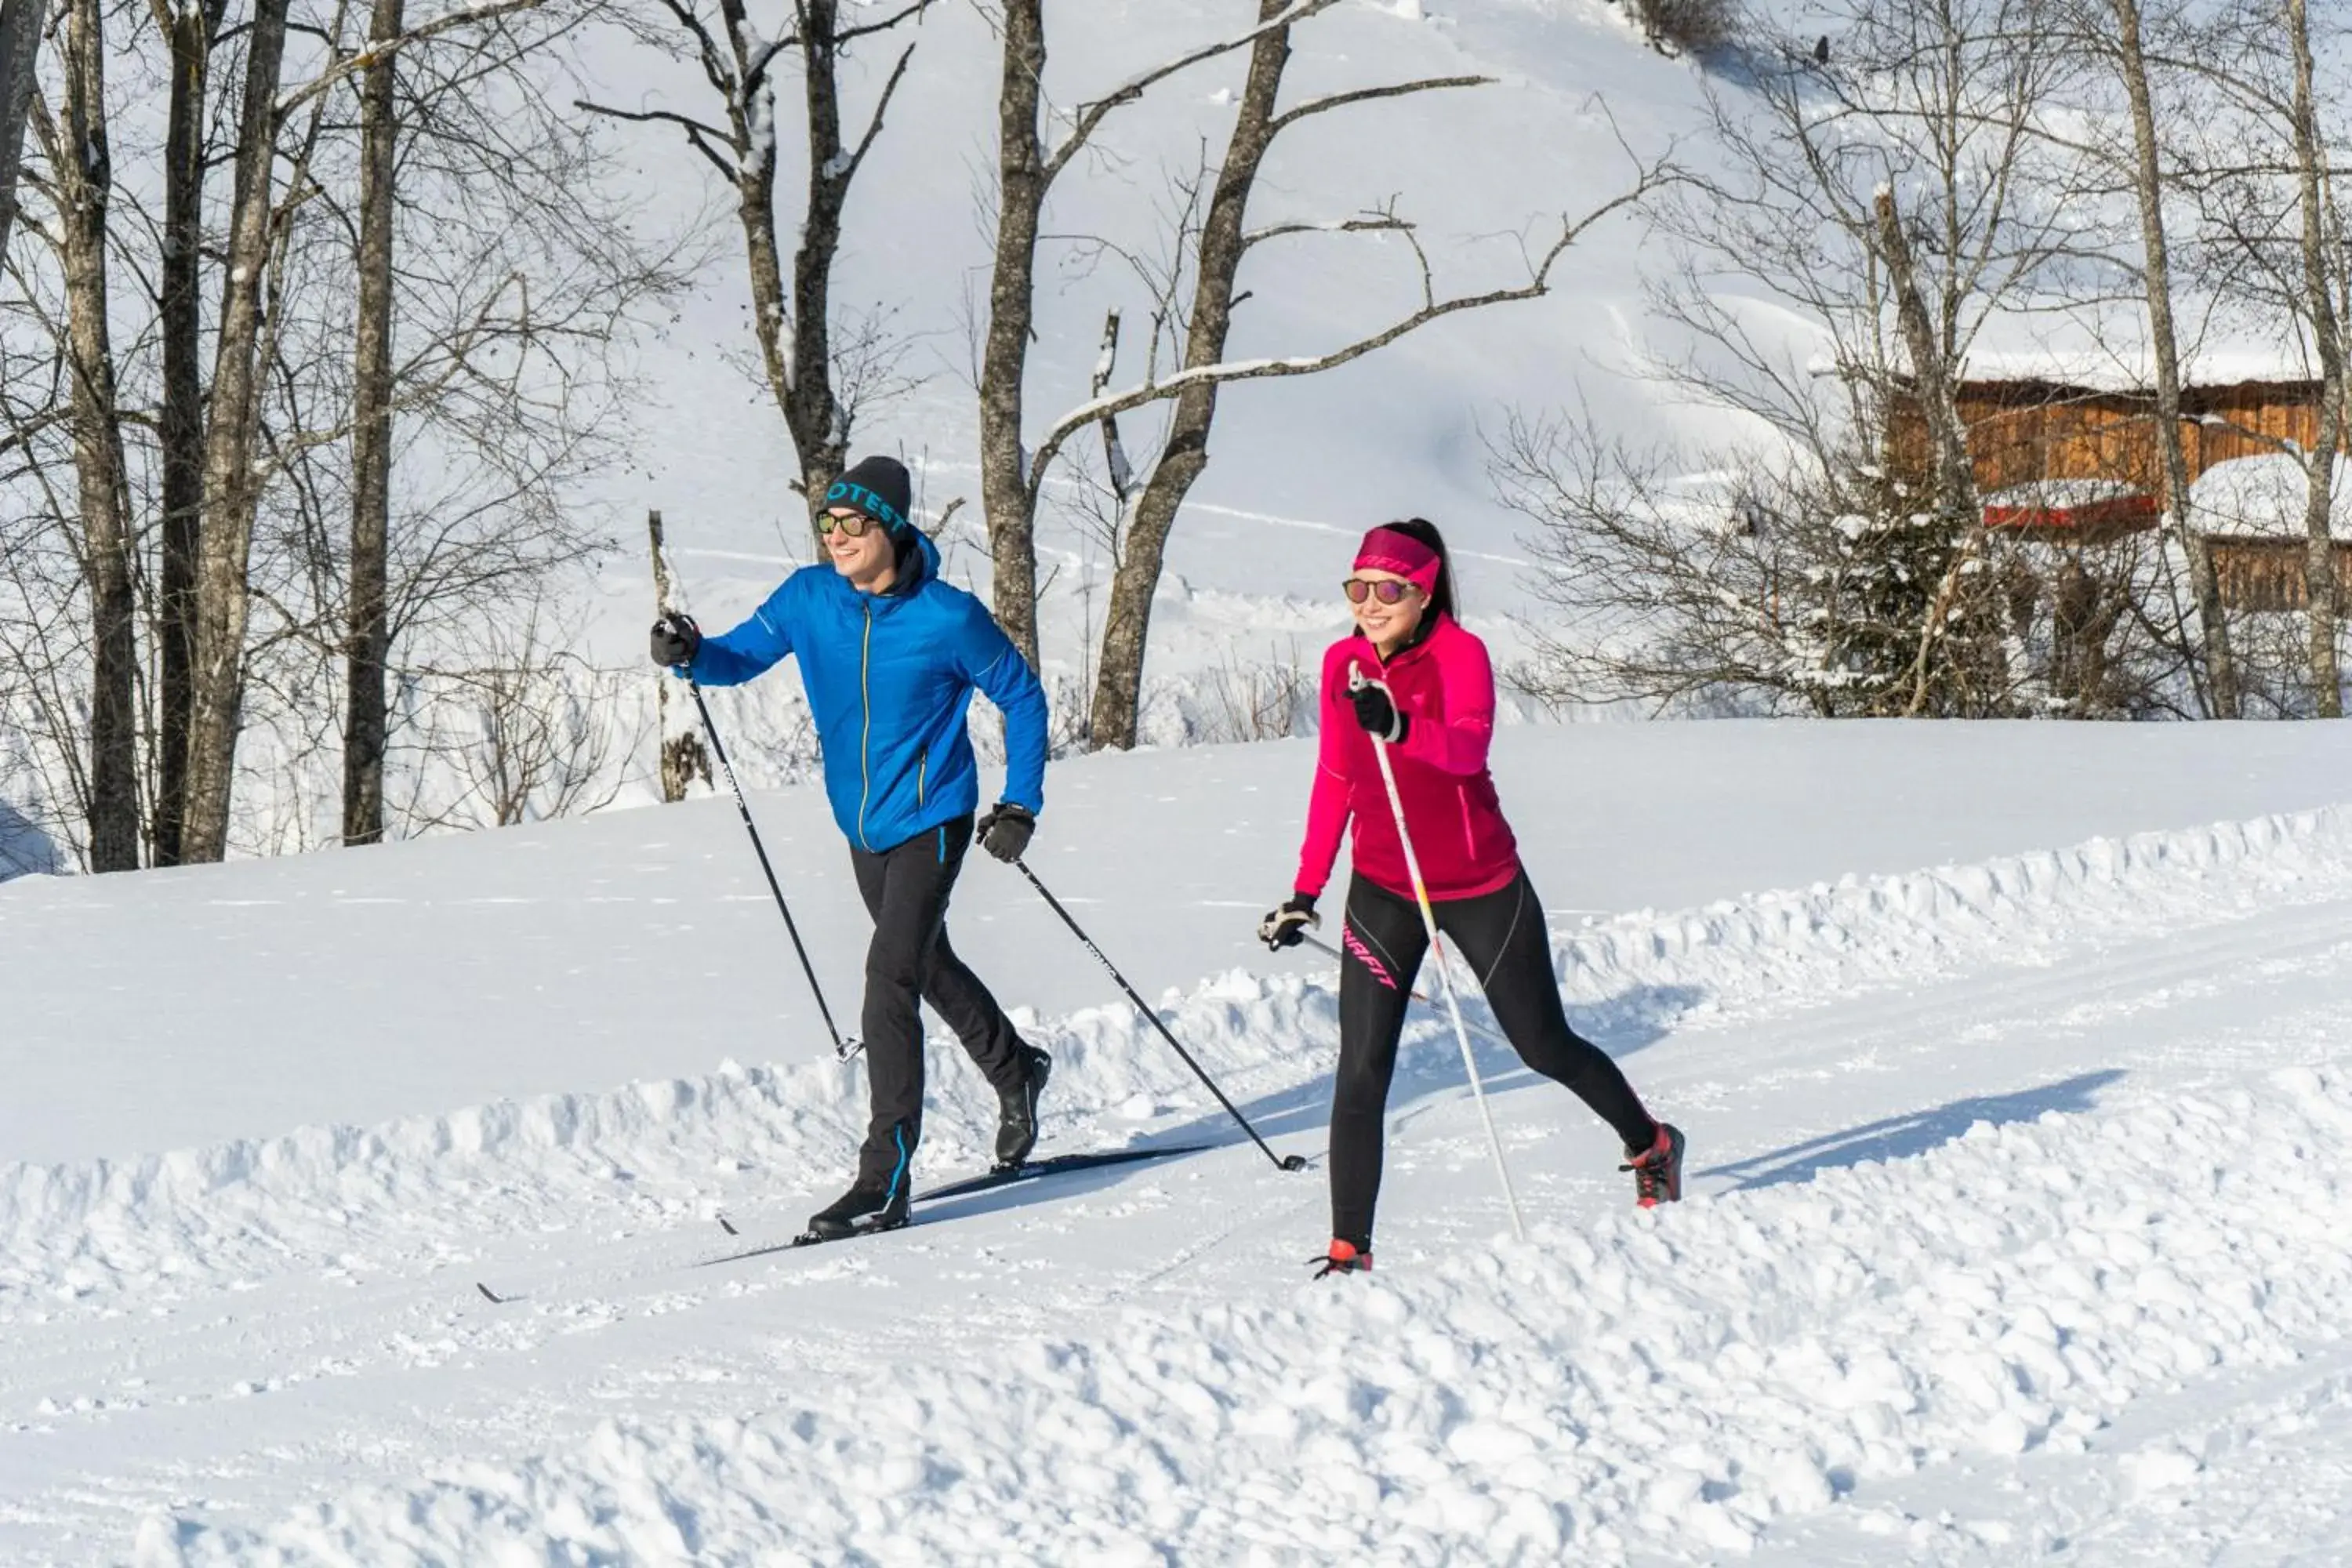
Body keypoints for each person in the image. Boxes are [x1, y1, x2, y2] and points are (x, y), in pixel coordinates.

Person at [1258, 519, 1684, 1277]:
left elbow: (1467, 750)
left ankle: (1650, 1141)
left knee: (1542, 1045)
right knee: (1360, 1069)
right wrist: (1304, 889)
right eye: (1358, 588)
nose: (1370, 603)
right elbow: (1337, 779)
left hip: (1479, 886)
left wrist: (1399, 723)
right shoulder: (1343, 663)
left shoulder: (1461, 654)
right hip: (1384, 888)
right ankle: (1349, 1249)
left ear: (1424, 594)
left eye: (1389, 590)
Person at [651, 455, 1054, 1240]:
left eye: (852, 523)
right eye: (827, 522)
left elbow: (1023, 696)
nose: (836, 536)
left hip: (933, 816)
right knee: (925, 961)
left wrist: (1020, 804)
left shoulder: (948, 616)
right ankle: (1018, 1068)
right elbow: (738, 657)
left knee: (887, 978)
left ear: (891, 529)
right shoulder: (809, 599)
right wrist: (692, 649)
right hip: (860, 823)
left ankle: (883, 1177)